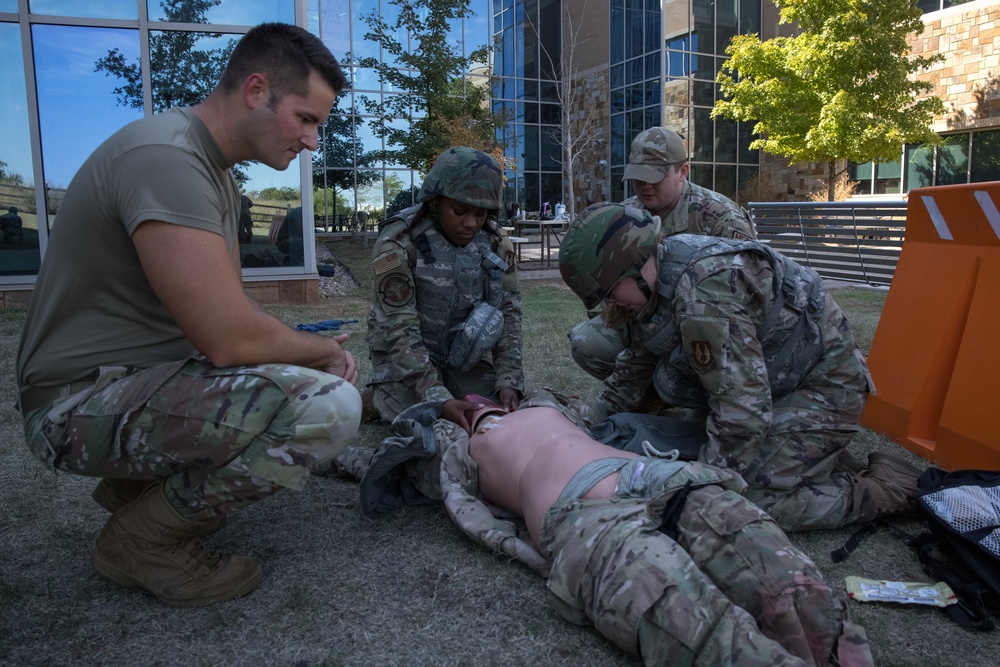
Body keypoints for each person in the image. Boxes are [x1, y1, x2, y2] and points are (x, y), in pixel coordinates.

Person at [15, 23, 362, 608]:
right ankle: (142, 540)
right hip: (71, 406)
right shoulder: (166, 159)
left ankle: (136, 488)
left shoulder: (210, 171)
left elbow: (230, 309)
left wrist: (295, 345)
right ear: (256, 90)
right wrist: (322, 353)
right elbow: (227, 338)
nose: (311, 141)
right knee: (326, 405)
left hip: (129, 382)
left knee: (302, 375)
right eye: (306, 119)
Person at [341, 390, 874, 667]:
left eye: (482, 401)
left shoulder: (549, 406)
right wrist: (444, 412)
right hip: (583, 518)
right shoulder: (457, 452)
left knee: (783, 577)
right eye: (467, 404)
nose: (476, 404)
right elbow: (384, 464)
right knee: (705, 632)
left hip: (658, 477)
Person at [558, 203, 923, 532]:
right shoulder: (654, 282)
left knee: (745, 502)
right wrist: (587, 430)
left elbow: (742, 412)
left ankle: (886, 489)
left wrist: (705, 485)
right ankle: (810, 449)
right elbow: (633, 369)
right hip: (771, 382)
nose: (608, 303)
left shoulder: (706, 291)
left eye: (608, 291)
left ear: (633, 265)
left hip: (823, 386)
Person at [569, 126, 757, 383]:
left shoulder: (721, 218)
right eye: (638, 177)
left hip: (704, 326)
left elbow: (746, 298)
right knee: (587, 342)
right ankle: (647, 392)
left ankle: (690, 390)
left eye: (655, 177)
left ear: (683, 171)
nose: (645, 185)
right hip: (641, 325)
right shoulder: (624, 216)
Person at [364, 146, 523, 433]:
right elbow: (398, 327)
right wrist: (437, 397)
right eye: (459, 211)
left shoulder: (495, 242)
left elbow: (508, 311)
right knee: (427, 427)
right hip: (405, 363)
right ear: (435, 202)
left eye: (481, 213)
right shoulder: (398, 242)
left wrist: (508, 378)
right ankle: (379, 395)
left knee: (493, 421)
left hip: (462, 360)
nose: (471, 223)